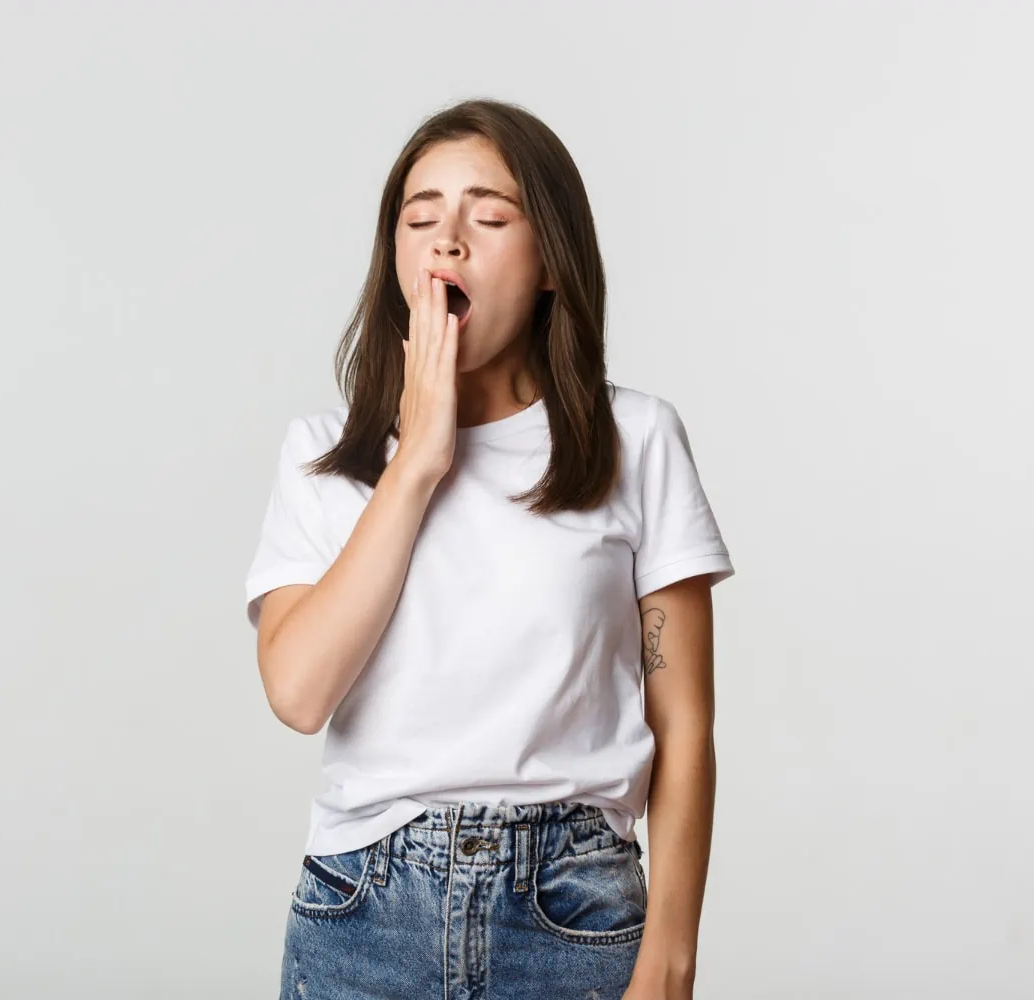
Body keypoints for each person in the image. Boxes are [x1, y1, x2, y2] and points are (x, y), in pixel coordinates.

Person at [243, 98, 735, 1000]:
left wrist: (670, 955)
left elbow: (687, 725)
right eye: (420, 217)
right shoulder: (322, 459)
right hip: (364, 917)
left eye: (490, 216)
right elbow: (299, 692)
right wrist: (418, 462)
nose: (448, 241)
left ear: (550, 259)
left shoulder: (638, 440)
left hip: (574, 912)